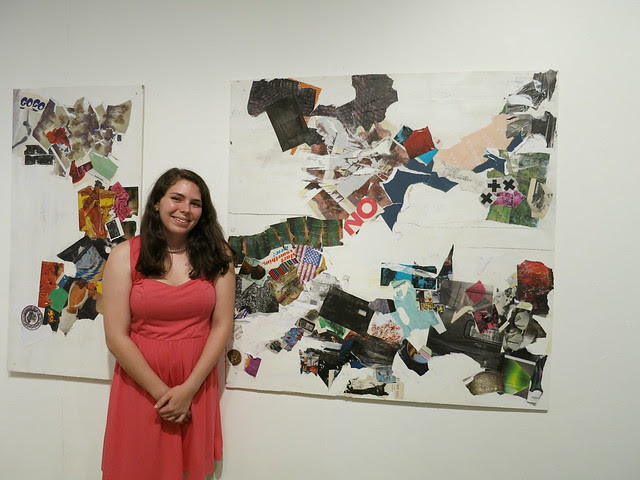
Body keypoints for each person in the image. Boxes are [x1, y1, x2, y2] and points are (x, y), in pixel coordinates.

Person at [101, 168, 235, 480]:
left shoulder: (218, 256)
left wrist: (188, 390)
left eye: (195, 203)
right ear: (156, 203)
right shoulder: (124, 256)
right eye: (176, 198)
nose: (185, 209)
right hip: (141, 384)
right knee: (136, 468)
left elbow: (221, 326)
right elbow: (116, 336)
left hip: (196, 382)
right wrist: (163, 394)